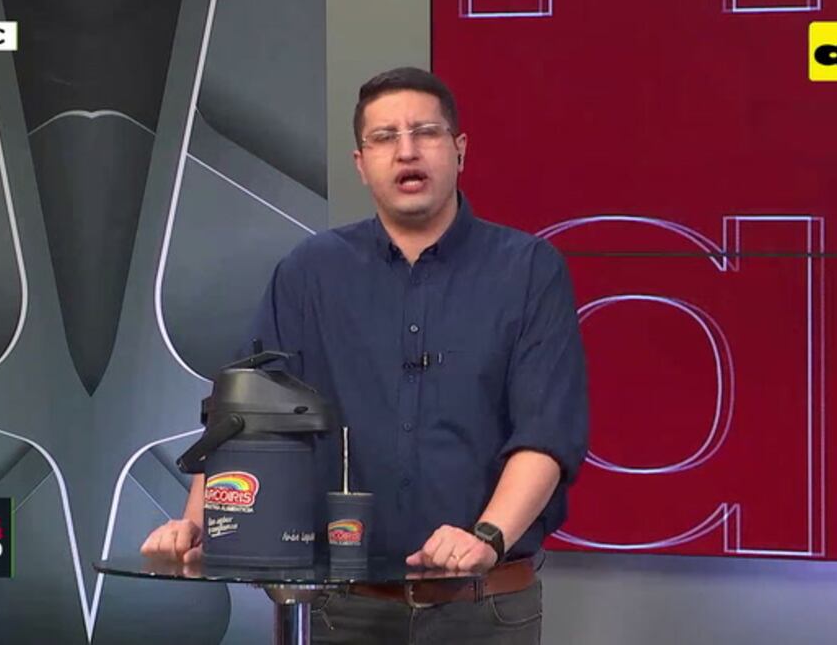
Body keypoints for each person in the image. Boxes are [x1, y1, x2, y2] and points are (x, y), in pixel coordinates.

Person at [141, 66, 588, 644]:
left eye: (425, 132)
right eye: (384, 137)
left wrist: (487, 536)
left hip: (484, 608)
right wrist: (197, 524)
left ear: (459, 149)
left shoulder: (528, 270)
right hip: (341, 611)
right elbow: (243, 416)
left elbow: (546, 434)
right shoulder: (310, 272)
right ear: (361, 162)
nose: (407, 151)